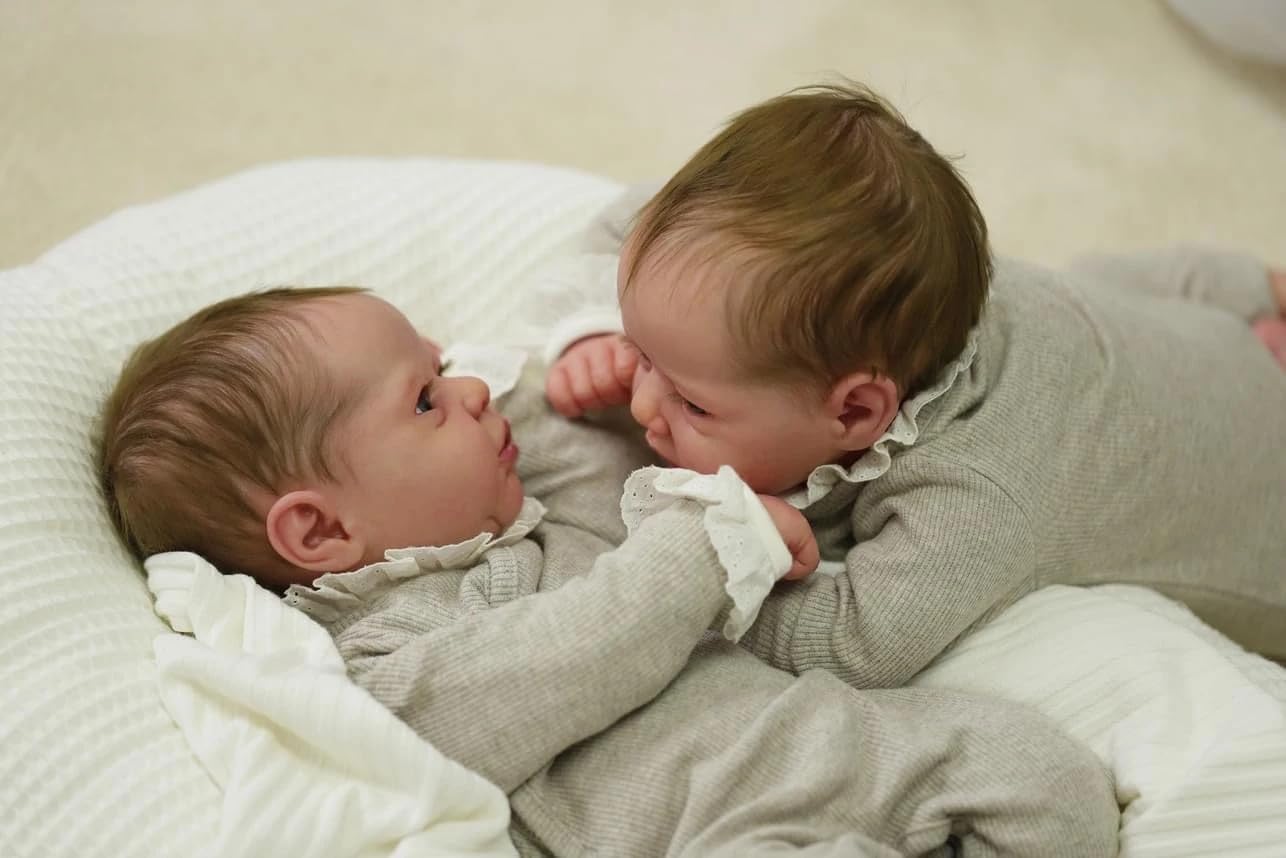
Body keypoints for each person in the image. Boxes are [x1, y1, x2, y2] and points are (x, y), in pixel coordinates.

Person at [98, 286, 1119, 857]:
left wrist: (607, 366)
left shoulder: (528, 487)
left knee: (1049, 777)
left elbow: (641, 442)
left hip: (838, 741)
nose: (469, 390)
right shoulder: (383, 655)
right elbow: (522, 685)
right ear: (320, 532)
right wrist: (700, 552)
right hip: (708, 831)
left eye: (446, 367)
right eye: (424, 400)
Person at [540, 82, 1286, 690]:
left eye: (693, 403)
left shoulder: (975, 493)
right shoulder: (917, 294)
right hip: (1199, 336)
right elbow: (633, 220)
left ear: (855, 412)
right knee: (1099, 288)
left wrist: (721, 567)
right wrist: (592, 329)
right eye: (641, 357)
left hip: (1265, 529)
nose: (641, 405)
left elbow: (856, 644)